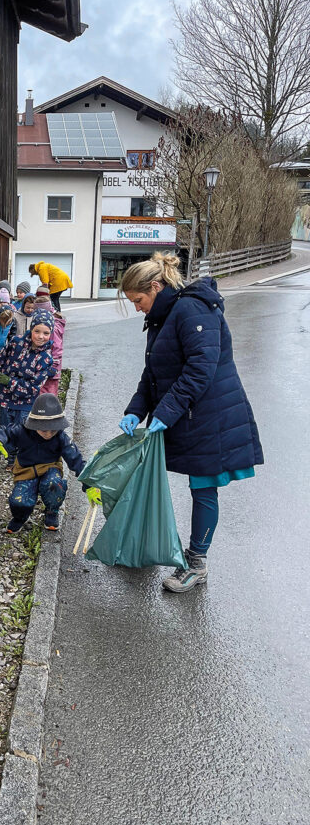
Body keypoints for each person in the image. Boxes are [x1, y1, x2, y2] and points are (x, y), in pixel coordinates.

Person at [119, 252, 263, 592]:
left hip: (212, 416)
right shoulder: (162, 316)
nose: (136, 308)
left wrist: (164, 415)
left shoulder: (192, 309)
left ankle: (197, 563)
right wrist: (135, 410)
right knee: (187, 484)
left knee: (203, 488)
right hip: (190, 413)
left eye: (138, 300)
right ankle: (167, 550)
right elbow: (154, 372)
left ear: (155, 287)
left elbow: (200, 369)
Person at [0, 394, 85, 532]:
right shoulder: (22, 430)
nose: (49, 434)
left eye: (53, 429)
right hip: (26, 470)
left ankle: (52, 511)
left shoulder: (60, 437)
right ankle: (20, 517)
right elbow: (5, 431)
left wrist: (89, 481)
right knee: (18, 501)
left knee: (55, 484)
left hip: (50, 468)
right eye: (44, 429)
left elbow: (75, 458)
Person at [0, 310, 54, 448]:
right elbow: (0, 357)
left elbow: (33, 388)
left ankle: (16, 461)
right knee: (4, 429)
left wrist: (9, 382)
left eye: (46, 333)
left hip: (25, 404)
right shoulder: (16, 342)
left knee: (21, 434)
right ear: (31, 329)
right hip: (5, 399)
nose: (41, 336)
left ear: (50, 334)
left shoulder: (46, 359)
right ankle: (4, 455)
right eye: (37, 331)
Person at [33, 285, 65, 396]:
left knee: (48, 394)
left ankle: (48, 412)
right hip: (44, 365)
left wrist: (54, 366)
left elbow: (57, 348)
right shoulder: (49, 322)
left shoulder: (53, 327)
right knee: (42, 392)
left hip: (51, 368)